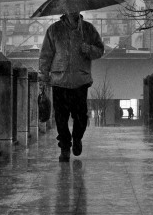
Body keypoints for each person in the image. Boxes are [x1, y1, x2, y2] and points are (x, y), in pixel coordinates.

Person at [38, 11, 105, 161]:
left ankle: (77, 139)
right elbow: (46, 54)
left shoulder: (88, 29)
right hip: (59, 80)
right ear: (64, 10)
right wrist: (44, 75)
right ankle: (65, 147)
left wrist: (89, 49)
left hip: (80, 80)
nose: (72, 10)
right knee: (61, 117)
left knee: (80, 116)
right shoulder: (54, 30)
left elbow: (100, 50)